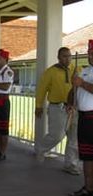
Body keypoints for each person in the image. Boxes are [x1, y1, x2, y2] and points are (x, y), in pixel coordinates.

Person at [35, 47, 80, 175]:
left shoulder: (76, 70)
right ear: (59, 57)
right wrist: (39, 105)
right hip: (57, 107)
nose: (68, 58)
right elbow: (41, 89)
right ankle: (40, 149)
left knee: (74, 137)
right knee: (57, 135)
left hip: (74, 108)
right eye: (64, 56)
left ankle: (70, 164)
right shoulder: (51, 71)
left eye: (69, 56)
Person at [70, 40, 93, 196]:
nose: (90, 55)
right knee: (86, 155)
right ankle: (88, 187)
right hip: (84, 118)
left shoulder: (84, 77)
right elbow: (75, 91)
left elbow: (84, 86)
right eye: (90, 52)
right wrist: (71, 103)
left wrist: (82, 83)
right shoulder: (85, 71)